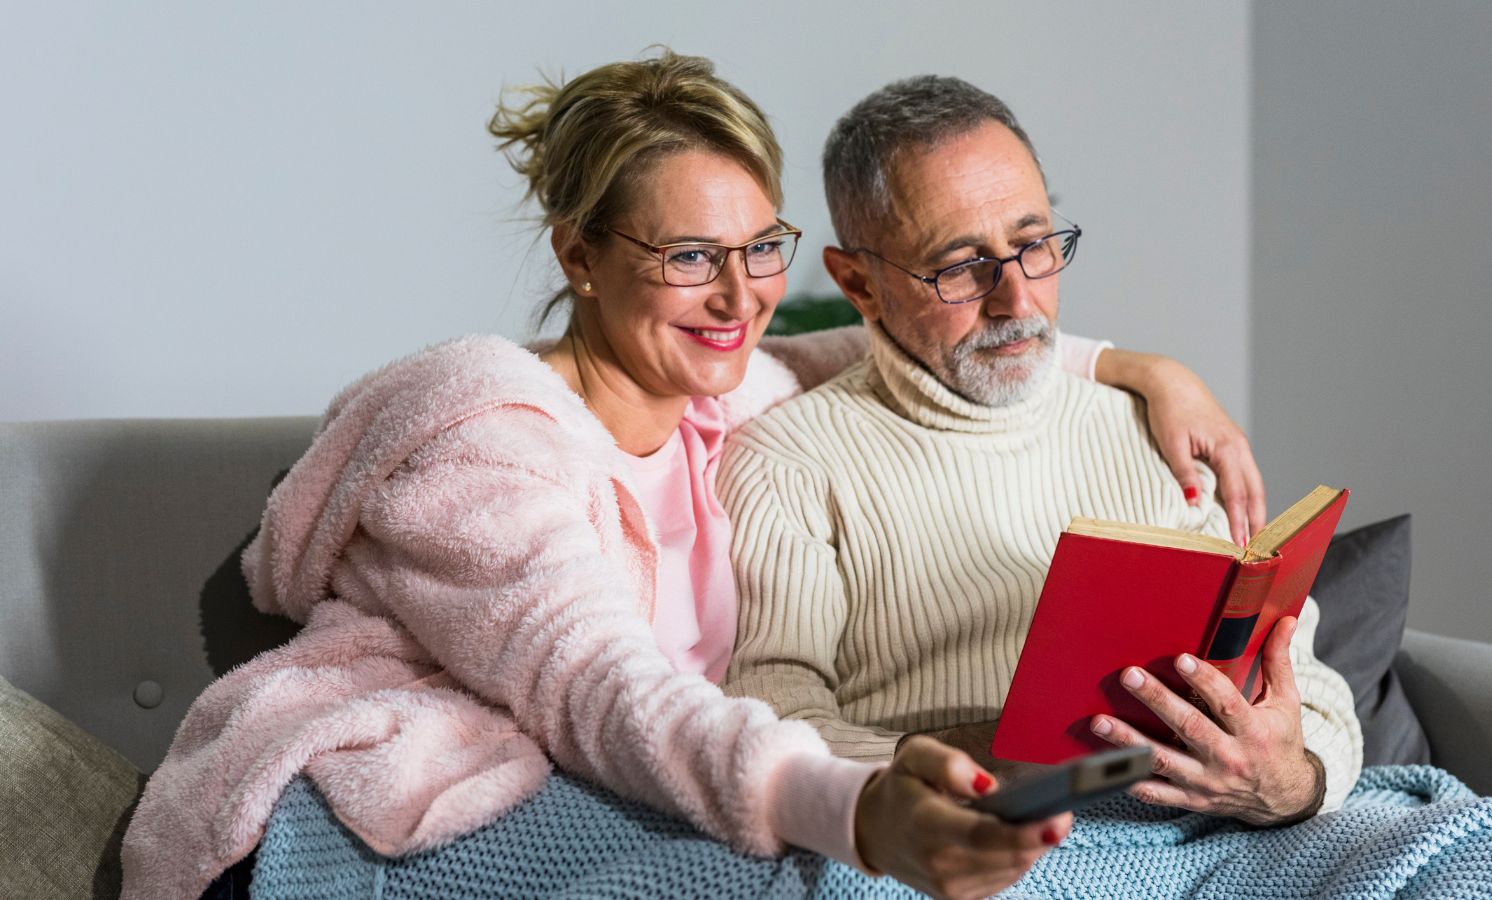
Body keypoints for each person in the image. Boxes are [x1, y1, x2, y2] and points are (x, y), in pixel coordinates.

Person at [120, 53, 1268, 900]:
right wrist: (855, 806)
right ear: (578, 255)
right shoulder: (481, 440)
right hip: (389, 807)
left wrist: (1142, 368)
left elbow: (928, 326)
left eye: (758, 249)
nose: (738, 299)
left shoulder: (731, 393)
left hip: (654, 777)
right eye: (686, 258)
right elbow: (602, 690)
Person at [719, 75, 1363, 828]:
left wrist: (1285, 779)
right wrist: (993, 757)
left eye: (1034, 245)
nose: (1017, 300)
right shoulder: (789, 463)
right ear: (858, 282)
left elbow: (1314, 696)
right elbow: (772, 738)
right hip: (975, 837)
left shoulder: (1153, 431)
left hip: (1223, 830)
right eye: (961, 266)